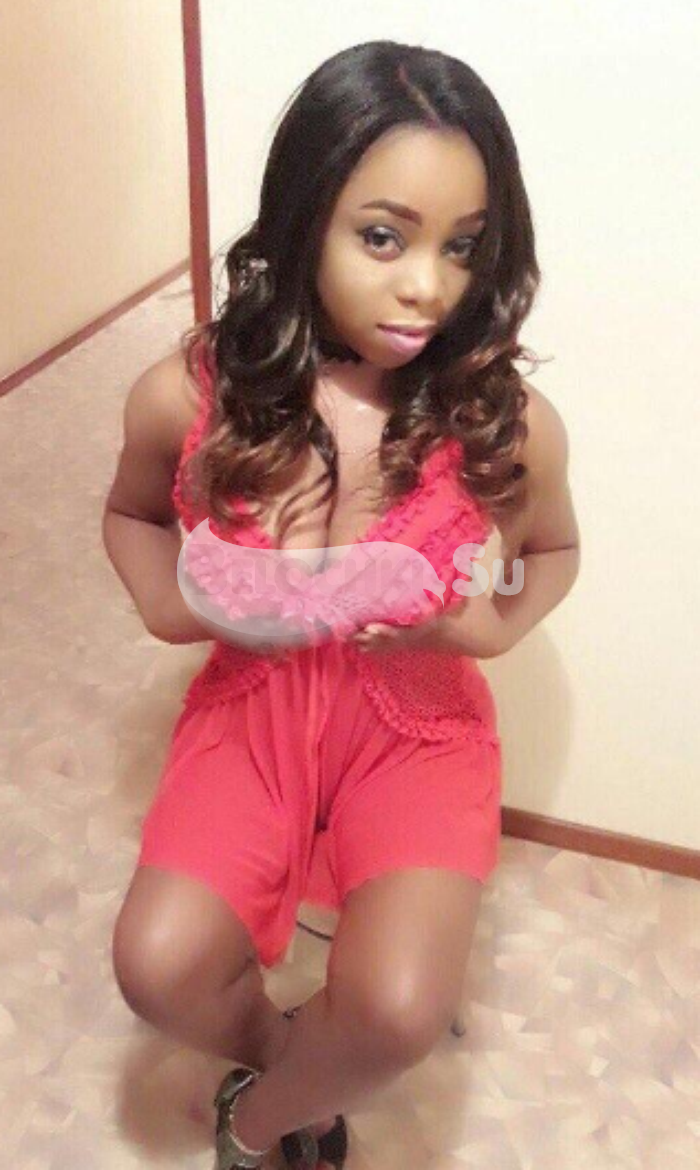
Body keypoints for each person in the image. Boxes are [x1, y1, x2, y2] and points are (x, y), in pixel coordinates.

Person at [102, 39, 580, 1170]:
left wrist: (488, 628)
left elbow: (554, 551)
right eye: (383, 237)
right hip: (253, 709)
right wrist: (174, 609)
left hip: (415, 728)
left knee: (398, 1011)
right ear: (304, 218)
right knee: (157, 968)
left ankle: (260, 1121)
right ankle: (294, 1061)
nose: (428, 287)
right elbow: (131, 516)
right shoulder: (192, 396)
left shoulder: (498, 420)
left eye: (462, 246)